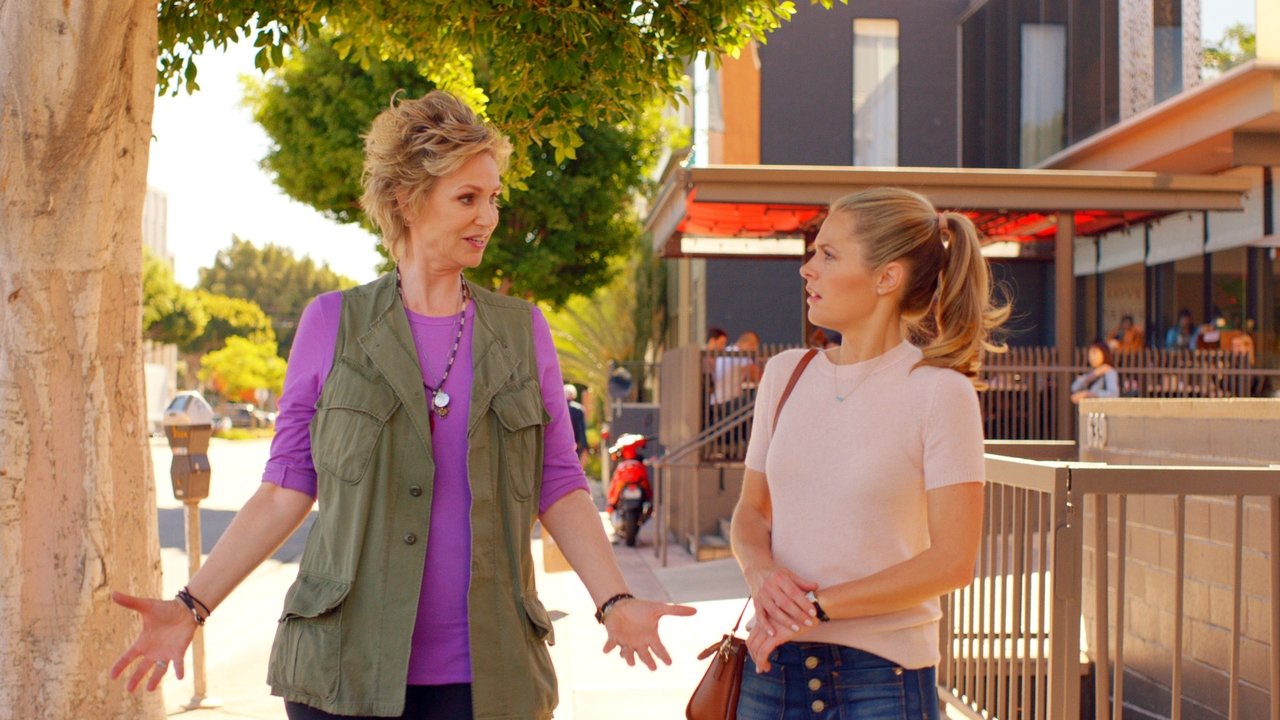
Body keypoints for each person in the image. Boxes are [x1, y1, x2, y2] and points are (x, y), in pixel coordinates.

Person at [109, 90, 694, 720]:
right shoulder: (330, 324)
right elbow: (284, 488)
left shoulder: (523, 332)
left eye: (493, 198)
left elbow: (559, 482)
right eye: (467, 198)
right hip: (342, 673)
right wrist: (191, 605)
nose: (489, 217)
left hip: (491, 678)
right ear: (408, 202)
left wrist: (614, 600)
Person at [729, 187, 1007, 720]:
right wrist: (761, 574)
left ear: (886, 277)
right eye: (813, 253)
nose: (808, 269)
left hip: (882, 680)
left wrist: (814, 609)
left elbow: (952, 562)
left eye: (829, 254)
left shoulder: (940, 393)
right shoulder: (785, 375)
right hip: (770, 671)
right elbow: (752, 512)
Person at [564, 383, 589, 465]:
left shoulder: (557, 409)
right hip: (574, 446)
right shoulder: (578, 409)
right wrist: (585, 447)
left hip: (560, 445)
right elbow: (581, 429)